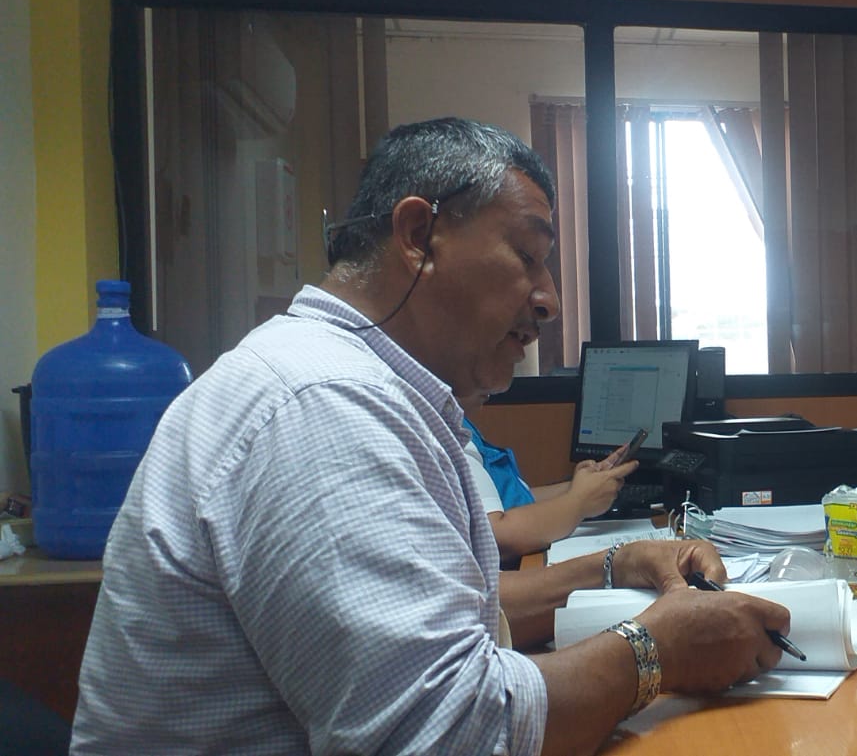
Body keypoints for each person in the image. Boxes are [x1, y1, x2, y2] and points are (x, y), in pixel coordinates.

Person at [72, 118, 789, 756]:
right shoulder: (325, 406)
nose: (549, 299)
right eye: (528, 255)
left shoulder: (349, 382)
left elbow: (442, 613)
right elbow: (451, 733)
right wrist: (660, 649)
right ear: (418, 236)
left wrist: (618, 564)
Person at [459, 394, 637, 563]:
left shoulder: (464, 424)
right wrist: (580, 501)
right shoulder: (456, 437)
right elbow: (497, 537)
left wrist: (583, 485)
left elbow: (514, 499)